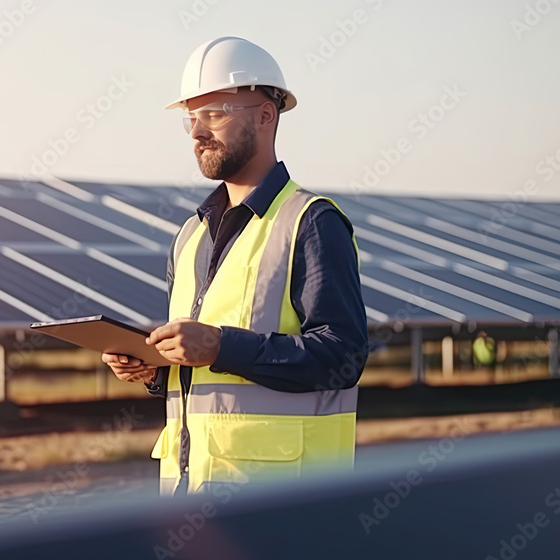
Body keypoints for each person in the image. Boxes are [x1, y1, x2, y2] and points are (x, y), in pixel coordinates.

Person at [102, 36, 369, 496]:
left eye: (215, 114)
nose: (196, 132)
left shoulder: (312, 222)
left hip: (287, 504)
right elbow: (201, 369)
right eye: (192, 117)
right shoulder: (191, 236)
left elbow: (343, 357)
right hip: (191, 498)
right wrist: (153, 369)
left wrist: (221, 347)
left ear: (266, 115)